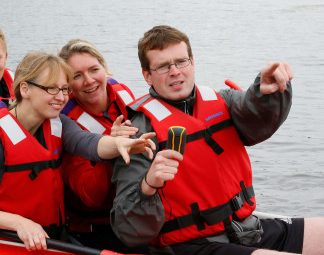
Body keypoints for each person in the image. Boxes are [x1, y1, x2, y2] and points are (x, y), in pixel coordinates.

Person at [110, 25, 324, 255]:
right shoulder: (137, 132)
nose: (175, 71)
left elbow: (256, 114)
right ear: (147, 76)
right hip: (190, 246)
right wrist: (148, 185)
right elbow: (128, 230)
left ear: (192, 62)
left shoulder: (222, 100)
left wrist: (267, 92)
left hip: (245, 230)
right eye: (163, 66)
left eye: (181, 61)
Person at [0, 51, 155, 252]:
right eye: (51, 89)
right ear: (24, 89)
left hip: (52, 240)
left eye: (65, 89)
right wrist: (20, 223)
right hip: (3, 242)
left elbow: (88, 143)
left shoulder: (58, 124)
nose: (61, 98)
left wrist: (118, 144)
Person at [59, 39, 144, 253]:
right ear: (68, 85)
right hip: (96, 228)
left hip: (139, 209)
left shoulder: (122, 94)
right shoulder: (65, 123)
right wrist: (111, 145)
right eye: (77, 76)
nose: (89, 81)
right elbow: (90, 197)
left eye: (94, 70)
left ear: (104, 69)